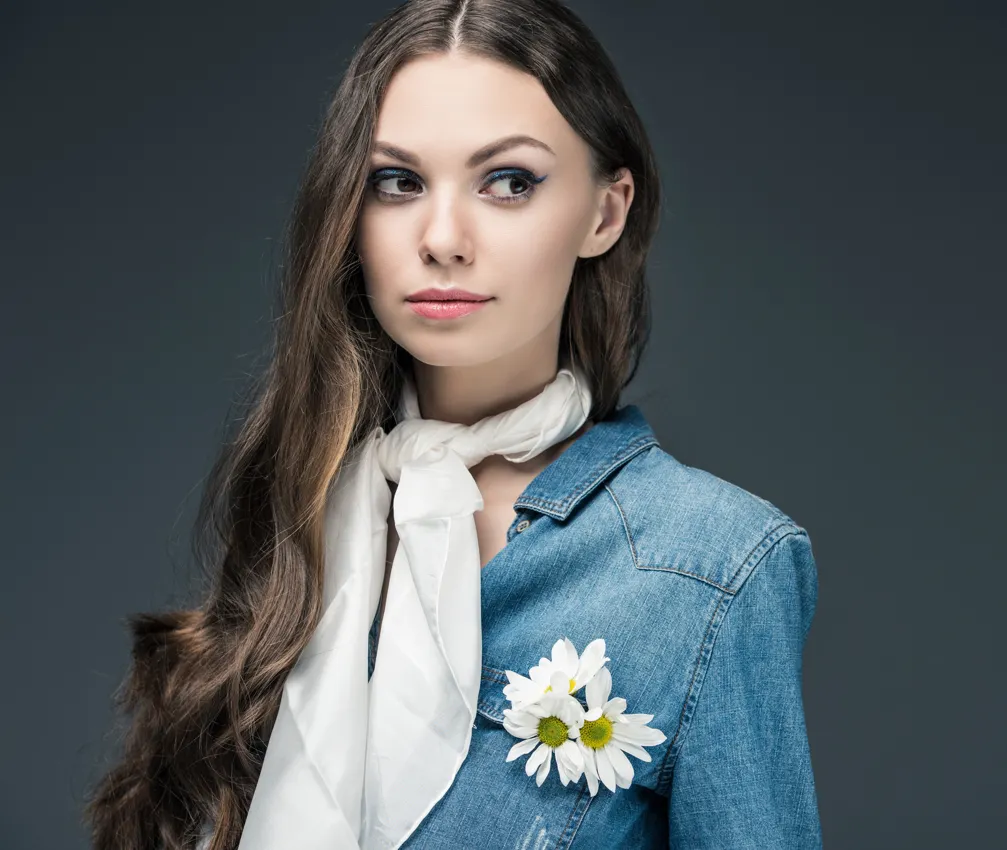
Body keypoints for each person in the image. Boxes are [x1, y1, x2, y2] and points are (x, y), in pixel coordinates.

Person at [84, 1, 821, 847]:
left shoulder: (711, 566)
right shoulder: (308, 517)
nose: (442, 238)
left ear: (605, 212)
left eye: (509, 181)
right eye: (396, 181)